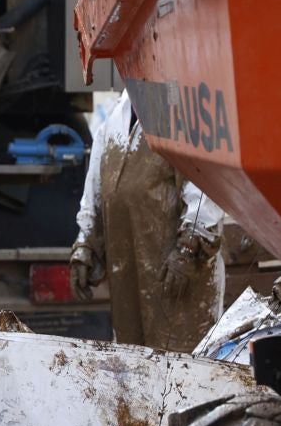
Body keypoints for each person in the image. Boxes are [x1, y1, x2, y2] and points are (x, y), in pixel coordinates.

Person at [69, 89, 223, 352]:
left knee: (184, 368)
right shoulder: (116, 118)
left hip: (176, 276)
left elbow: (204, 190)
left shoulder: (178, 109)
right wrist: (85, 245)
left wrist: (189, 247)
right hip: (128, 277)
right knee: (134, 365)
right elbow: (97, 191)